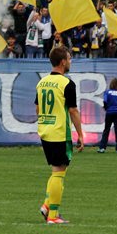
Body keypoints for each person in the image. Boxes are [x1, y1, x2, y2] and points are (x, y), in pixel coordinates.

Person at [35, 46, 83, 224]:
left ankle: (47, 205)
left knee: (57, 170)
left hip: (45, 131)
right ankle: (53, 216)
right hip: (60, 133)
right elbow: (73, 111)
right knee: (59, 173)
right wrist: (80, 134)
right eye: (69, 59)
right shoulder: (66, 83)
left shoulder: (42, 82)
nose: (70, 62)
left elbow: (38, 107)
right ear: (63, 62)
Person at [97, 78, 117, 153]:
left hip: (109, 113)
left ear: (111, 84)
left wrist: (106, 108)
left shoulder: (107, 92)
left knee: (106, 130)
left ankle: (102, 148)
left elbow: (105, 101)